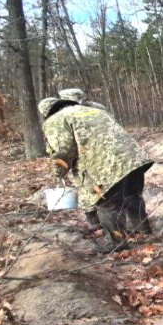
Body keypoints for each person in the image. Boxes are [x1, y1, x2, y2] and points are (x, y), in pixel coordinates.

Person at [38, 96, 154, 253]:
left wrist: (58, 172)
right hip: (134, 157)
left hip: (104, 164)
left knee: (107, 203)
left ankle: (116, 242)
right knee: (131, 195)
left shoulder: (55, 120)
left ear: (46, 113)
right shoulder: (92, 110)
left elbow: (63, 151)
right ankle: (142, 229)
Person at [57, 88, 109, 231]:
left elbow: (65, 142)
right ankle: (109, 218)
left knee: (85, 184)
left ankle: (95, 220)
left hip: (85, 154)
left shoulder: (65, 113)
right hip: (105, 151)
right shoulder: (99, 108)